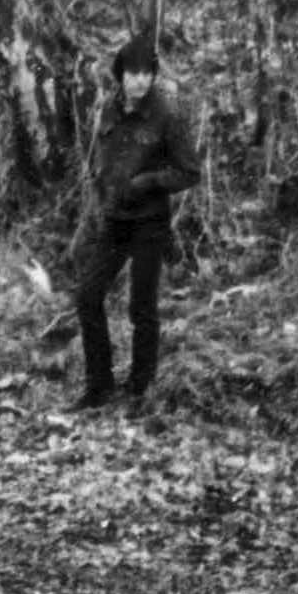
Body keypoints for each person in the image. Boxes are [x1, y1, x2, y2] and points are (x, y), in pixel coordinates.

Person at [73, 32, 203, 415]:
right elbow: (99, 158)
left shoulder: (167, 113)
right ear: (120, 75)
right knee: (87, 297)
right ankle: (99, 388)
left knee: (141, 308)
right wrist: (101, 195)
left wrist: (147, 183)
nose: (140, 80)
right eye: (133, 73)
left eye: (147, 72)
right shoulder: (109, 108)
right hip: (113, 221)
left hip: (149, 223)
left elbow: (189, 172)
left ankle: (139, 391)